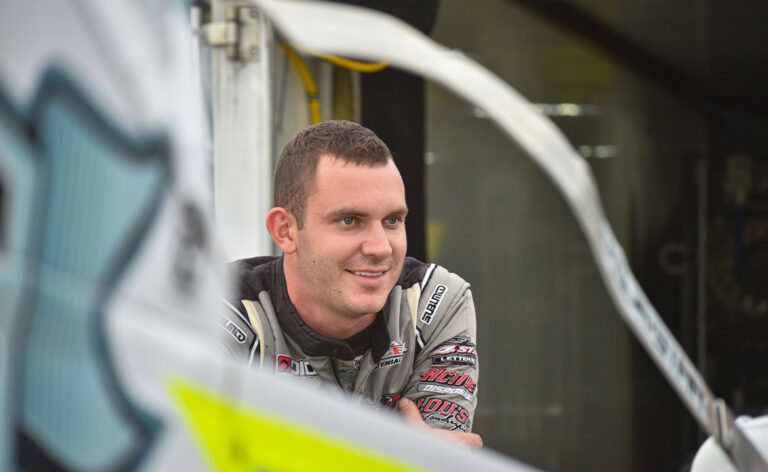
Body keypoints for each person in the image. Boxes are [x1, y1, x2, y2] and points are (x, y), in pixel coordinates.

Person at [219, 120, 481, 447]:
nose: (380, 248)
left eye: (392, 220)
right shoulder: (218, 307)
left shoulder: (435, 301)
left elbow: (437, 458)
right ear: (285, 231)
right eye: (349, 221)